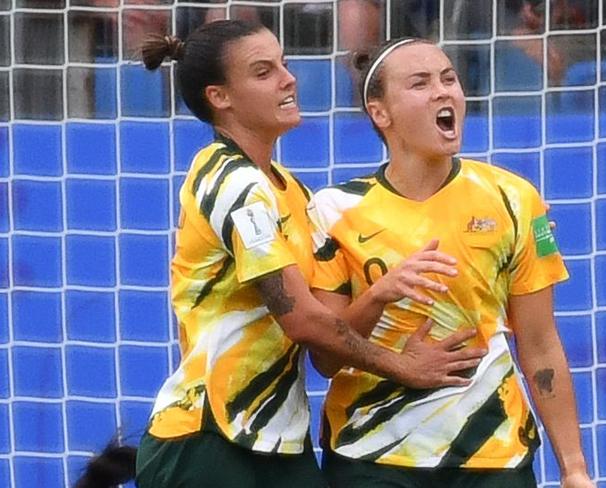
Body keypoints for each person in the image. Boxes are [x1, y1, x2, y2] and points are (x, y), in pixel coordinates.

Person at [73, 19, 486, 488]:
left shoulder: (290, 190)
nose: (289, 78)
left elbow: (327, 338)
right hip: (209, 436)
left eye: (285, 64)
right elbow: (303, 320)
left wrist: (511, 227)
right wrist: (405, 367)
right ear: (220, 97)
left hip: (280, 442)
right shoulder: (231, 182)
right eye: (263, 71)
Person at [308, 37, 594, 488]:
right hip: (372, 458)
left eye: (449, 78)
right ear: (381, 114)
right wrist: (382, 293)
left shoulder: (514, 198)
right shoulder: (333, 210)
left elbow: (540, 343)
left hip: (492, 454)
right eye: (420, 83)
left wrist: (574, 468)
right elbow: (324, 356)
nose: (443, 92)